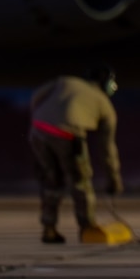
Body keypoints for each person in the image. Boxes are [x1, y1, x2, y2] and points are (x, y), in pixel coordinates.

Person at [28, 66, 123, 244]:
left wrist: (43, 117)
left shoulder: (64, 81)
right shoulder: (104, 103)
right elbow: (107, 148)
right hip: (68, 135)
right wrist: (113, 179)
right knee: (80, 182)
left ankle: (49, 228)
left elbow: (36, 97)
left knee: (51, 180)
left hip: (38, 130)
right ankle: (87, 228)